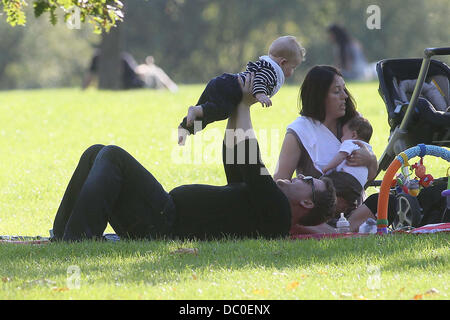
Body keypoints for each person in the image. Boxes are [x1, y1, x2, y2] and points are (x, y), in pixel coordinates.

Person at [52, 74, 336, 242]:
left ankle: (77, 239)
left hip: (163, 223)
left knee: (113, 156)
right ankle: (62, 234)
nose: (300, 176)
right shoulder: (260, 202)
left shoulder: (278, 214)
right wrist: (239, 102)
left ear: (307, 201)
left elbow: (251, 161)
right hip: (159, 219)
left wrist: (246, 105)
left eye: (308, 180)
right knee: (96, 153)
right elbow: (236, 153)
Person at [274, 65, 378, 217]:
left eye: (344, 89)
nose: (345, 96)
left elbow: (370, 175)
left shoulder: (353, 125)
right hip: (316, 215)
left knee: (383, 202)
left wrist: (370, 160)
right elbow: (279, 185)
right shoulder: (299, 132)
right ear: (319, 97)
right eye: (337, 91)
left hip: (355, 210)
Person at [177, 35, 306, 145]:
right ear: (283, 62)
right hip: (229, 88)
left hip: (222, 83)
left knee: (208, 113)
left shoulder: (265, 64)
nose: (292, 72)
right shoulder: (271, 71)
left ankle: (185, 128)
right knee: (221, 112)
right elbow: (260, 79)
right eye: (293, 67)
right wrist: (260, 94)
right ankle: (194, 110)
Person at [322, 115, 374, 189]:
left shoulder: (351, 142)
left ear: (353, 135)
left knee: (326, 182)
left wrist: (326, 168)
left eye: (343, 134)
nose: (341, 138)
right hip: (359, 185)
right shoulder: (368, 149)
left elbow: (341, 156)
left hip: (347, 178)